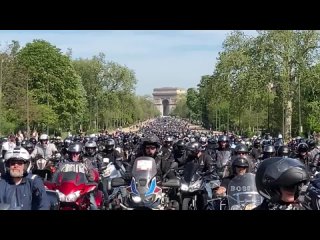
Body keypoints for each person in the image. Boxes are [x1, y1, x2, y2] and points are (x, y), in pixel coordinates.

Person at [55, 142, 98, 210]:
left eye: (77, 153)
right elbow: (56, 174)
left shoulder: (86, 162)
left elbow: (92, 176)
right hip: (66, 189)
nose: (74, 155)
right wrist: (53, 183)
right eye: (72, 153)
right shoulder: (64, 163)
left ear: (80, 153)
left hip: (83, 190)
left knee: (93, 205)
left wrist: (88, 174)